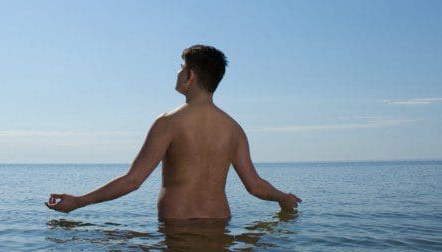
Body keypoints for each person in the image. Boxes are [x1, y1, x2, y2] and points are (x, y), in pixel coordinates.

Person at [45, 44, 302, 219]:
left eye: (180, 67)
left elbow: (133, 181)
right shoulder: (234, 129)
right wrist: (284, 198)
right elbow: (255, 186)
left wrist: (79, 201)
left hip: (177, 224)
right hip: (219, 221)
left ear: (190, 75)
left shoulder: (168, 123)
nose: (177, 72)